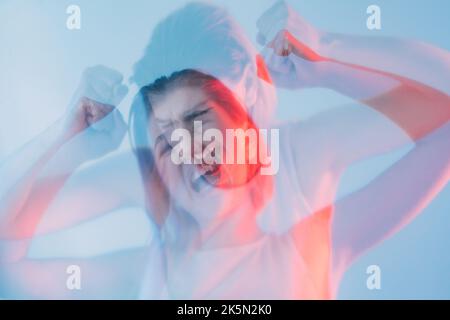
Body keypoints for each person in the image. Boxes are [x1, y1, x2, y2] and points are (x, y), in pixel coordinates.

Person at [0, 1, 449, 299]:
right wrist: (65, 141)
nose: (193, 152)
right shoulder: (141, 271)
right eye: (168, 142)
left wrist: (329, 56)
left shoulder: (309, 233)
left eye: (202, 120)